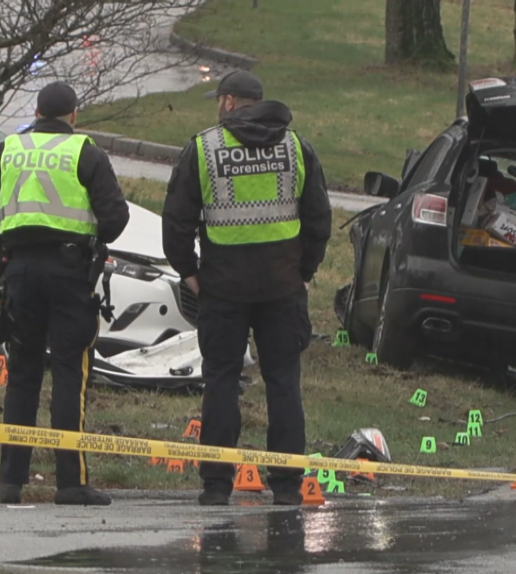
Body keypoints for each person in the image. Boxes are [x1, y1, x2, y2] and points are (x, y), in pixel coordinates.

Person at [0, 81, 130, 506]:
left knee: (23, 374)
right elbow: (116, 217)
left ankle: (9, 483)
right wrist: (88, 239)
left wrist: (3, 232)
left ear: (36, 112)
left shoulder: (8, 149)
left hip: (20, 271)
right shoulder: (85, 152)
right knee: (70, 374)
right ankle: (71, 484)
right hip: (69, 274)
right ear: (73, 115)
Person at [162, 70, 332, 506]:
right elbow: (318, 220)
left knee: (220, 381)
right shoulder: (297, 149)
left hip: (222, 289)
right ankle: (289, 486)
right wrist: (303, 271)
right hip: (282, 288)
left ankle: (217, 486)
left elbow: (176, 222)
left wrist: (190, 273)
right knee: (283, 384)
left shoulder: (204, 149)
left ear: (232, 102)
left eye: (219, 100)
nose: (217, 107)